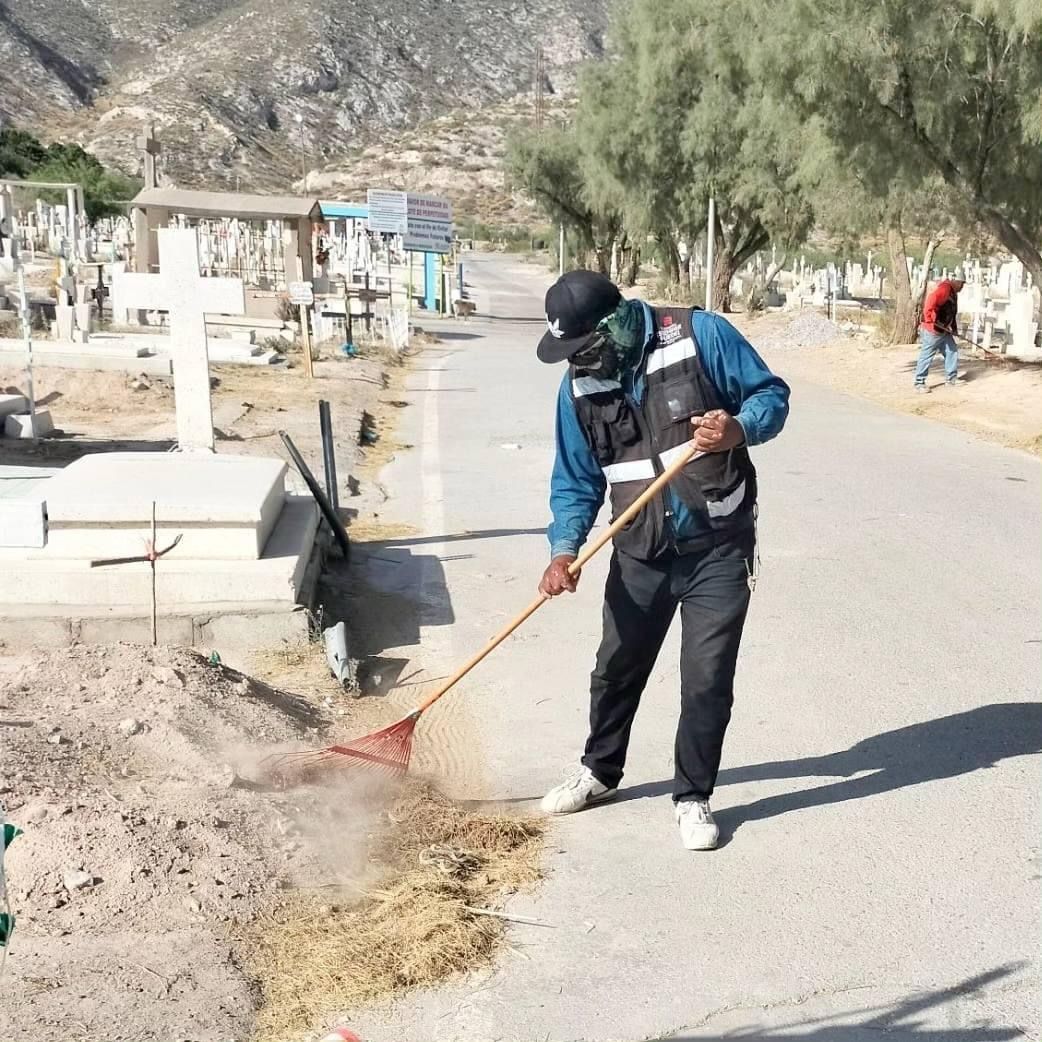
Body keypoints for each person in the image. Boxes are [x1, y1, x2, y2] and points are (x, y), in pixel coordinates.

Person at [535, 270, 790, 850]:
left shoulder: (701, 336)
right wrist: (564, 550)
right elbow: (575, 480)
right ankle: (600, 772)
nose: (580, 362)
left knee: (706, 681)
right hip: (639, 552)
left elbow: (771, 396)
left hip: (717, 547)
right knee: (616, 668)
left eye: (585, 347)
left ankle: (693, 796)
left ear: (614, 325)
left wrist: (737, 430)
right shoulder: (577, 388)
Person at [914, 276, 965, 392]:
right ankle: (919, 383)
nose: (962, 287)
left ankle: (951, 379)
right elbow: (930, 303)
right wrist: (929, 319)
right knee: (927, 356)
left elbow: (952, 312)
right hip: (933, 330)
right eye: (962, 284)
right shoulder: (944, 289)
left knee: (952, 351)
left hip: (944, 331)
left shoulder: (953, 293)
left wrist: (954, 329)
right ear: (956, 282)